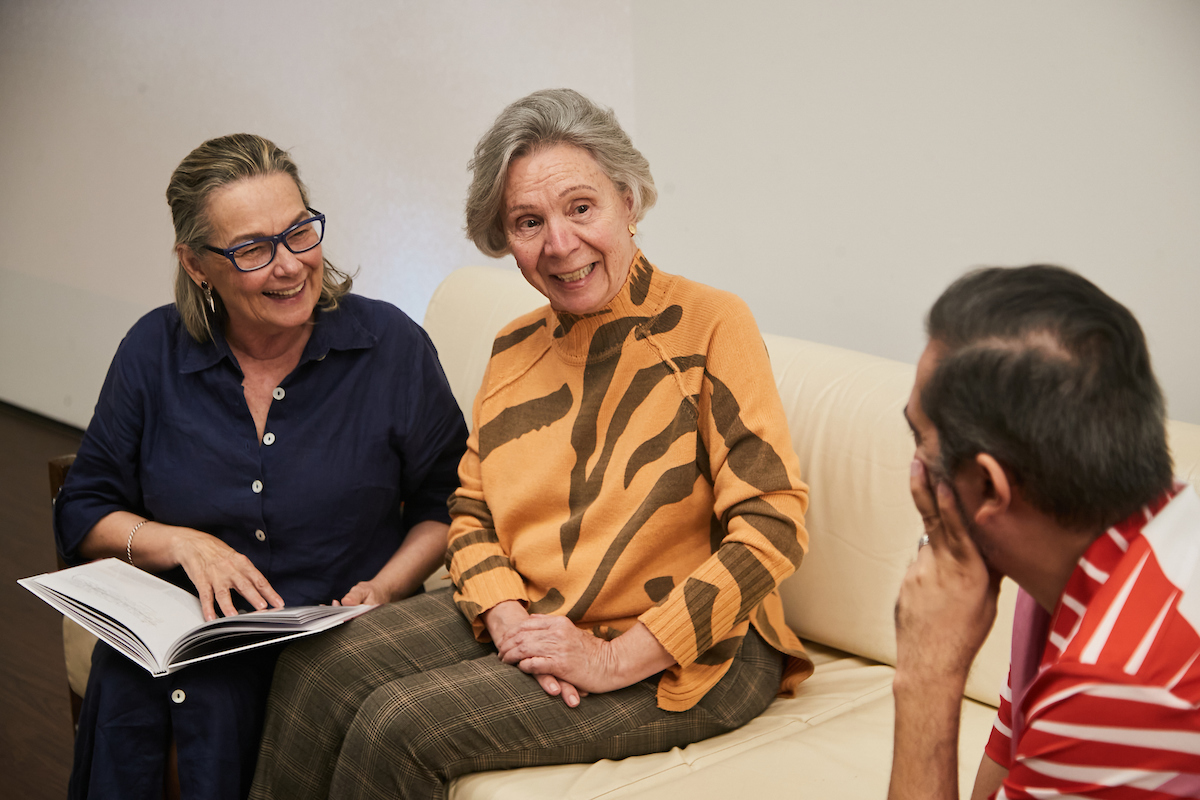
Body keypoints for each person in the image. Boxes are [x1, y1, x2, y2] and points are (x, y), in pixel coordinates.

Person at [249, 88, 813, 799]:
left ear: (628, 201)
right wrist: (508, 619)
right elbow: (473, 509)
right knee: (317, 662)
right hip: (540, 609)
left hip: (694, 649)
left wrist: (611, 661)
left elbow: (773, 522)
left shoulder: (709, 324)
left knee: (400, 725)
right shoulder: (515, 347)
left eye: (582, 208)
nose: (560, 244)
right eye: (527, 222)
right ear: (503, 238)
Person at [54, 133, 468, 800]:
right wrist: (179, 543)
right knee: (147, 679)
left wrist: (388, 587)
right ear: (196, 265)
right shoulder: (151, 351)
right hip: (190, 625)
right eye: (252, 249)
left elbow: (448, 500)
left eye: (300, 232)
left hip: (336, 629)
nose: (290, 265)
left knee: (206, 696)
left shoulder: (389, 347)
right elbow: (84, 506)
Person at [888, 265, 1197, 800]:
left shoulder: (1120, 687)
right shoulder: (1074, 569)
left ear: (989, 486)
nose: (916, 471)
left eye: (921, 442)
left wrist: (926, 674)